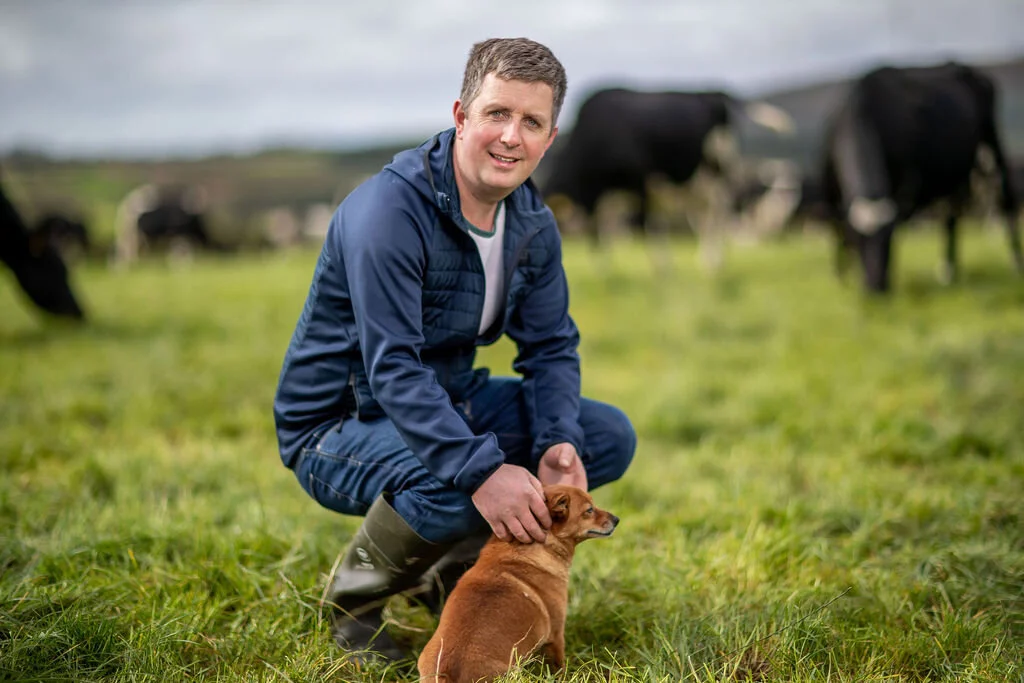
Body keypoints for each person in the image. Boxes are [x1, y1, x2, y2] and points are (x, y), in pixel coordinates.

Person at [272, 36, 636, 661]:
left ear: (550, 140)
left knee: (605, 437)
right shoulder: (387, 212)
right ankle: (353, 604)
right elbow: (392, 367)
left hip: (447, 397)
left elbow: (550, 346)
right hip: (338, 423)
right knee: (456, 477)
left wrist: (556, 441)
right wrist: (482, 471)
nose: (511, 137)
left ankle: (451, 574)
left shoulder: (532, 222)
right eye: (497, 113)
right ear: (461, 115)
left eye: (532, 122)